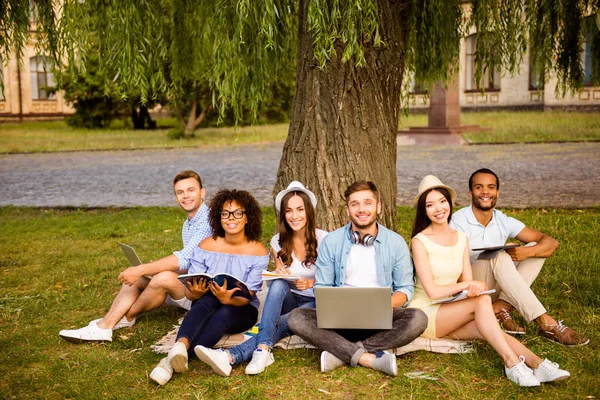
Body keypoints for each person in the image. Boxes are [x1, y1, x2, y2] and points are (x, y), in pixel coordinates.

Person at [408, 175, 570, 387]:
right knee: (483, 305)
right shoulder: (419, 241)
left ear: (449, 203)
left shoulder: (461, 238)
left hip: (450, 310)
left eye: (442, 201)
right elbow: (432, 292)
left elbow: (467, 282)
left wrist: (472, 289)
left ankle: (538, 364)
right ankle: (512, 364)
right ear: (424, 210)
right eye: (430, 205)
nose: (438, 208)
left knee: (490, 329)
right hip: (425, 313)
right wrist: (469, 286)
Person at [287, 181, 428, 377]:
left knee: (418, 319)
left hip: (381, 319)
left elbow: (405, 289)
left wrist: (384, 304)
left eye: (367, 202)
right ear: (347, 209)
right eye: (355, 204)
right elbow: (322, 286)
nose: (362, 209)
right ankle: (368, 357)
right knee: (297, 318)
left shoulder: (395, 243)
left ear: (378, 207)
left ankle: (342, 353)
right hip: (339, 321)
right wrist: (335, 304)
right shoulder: (332, 241)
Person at [59, 170, 212, 343]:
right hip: (188, 282)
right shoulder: (189, 223)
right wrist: (147, 272)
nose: (185, 196)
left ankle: (125, 318)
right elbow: (189, 263)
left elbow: (183, 258)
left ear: (202, 192)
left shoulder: (207, 221)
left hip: (202, 293)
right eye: (180, 192)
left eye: (191, 190)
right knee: (140, 278)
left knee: (161, 277)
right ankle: (106, 325)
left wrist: (142, 268)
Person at [195, 181, 328, 376]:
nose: (294, 216)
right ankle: (262, 349)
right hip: (288, 299)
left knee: (282, 323)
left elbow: (334, 280)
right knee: (279, 281)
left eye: (300, 209)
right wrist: (281, 273)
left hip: (315, 301)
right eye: (289, 211)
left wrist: (311, 283)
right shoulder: (278, 240)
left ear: (309, 211)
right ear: (283, 214)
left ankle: (236, 355)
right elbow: (280, 274)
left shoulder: (325, 239)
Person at [449, 168, 589, 347]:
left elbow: (550, 243)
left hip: (497, 286)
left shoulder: (503, 220)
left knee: (534, 249)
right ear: (470, 192)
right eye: (479, 187)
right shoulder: (458, 221)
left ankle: (501, 306)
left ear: (497, 192)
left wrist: (527, 252)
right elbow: (452, 265)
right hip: (471, 289)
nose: (485, 192)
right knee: (499, 254)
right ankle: (545, 321)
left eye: (491, 187)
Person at [149, 189, 269, 386]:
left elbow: (249, 295)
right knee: (204, 302)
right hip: (208, 298)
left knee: (224, 312)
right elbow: (191, 289)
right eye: (225, 213)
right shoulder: (206, 246)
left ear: (248, 218)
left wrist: (228, 299)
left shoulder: (258, 251)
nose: (231, 218)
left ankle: (168, 363)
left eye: (238, 213)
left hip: (241, 308)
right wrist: (193, 292)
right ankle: (179, 347)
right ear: (218, 217)